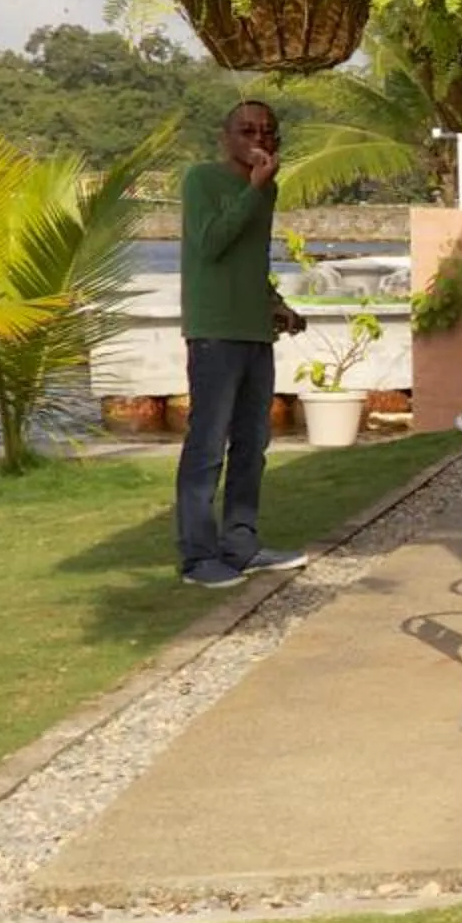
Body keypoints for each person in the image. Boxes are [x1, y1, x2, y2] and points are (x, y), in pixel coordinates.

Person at [174, 99, 310, 590]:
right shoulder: (201, 180)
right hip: (214, 331)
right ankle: (197, 557)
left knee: (253, 444)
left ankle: (241, 544)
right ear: (225, 136)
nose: (258, 137)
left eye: (268, 130)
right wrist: (254, 190)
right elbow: (211, 244)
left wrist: (275, 302)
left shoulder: (264, 190)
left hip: (254, 330)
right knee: (207, 445)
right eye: (246, 129)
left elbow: (247, 260)